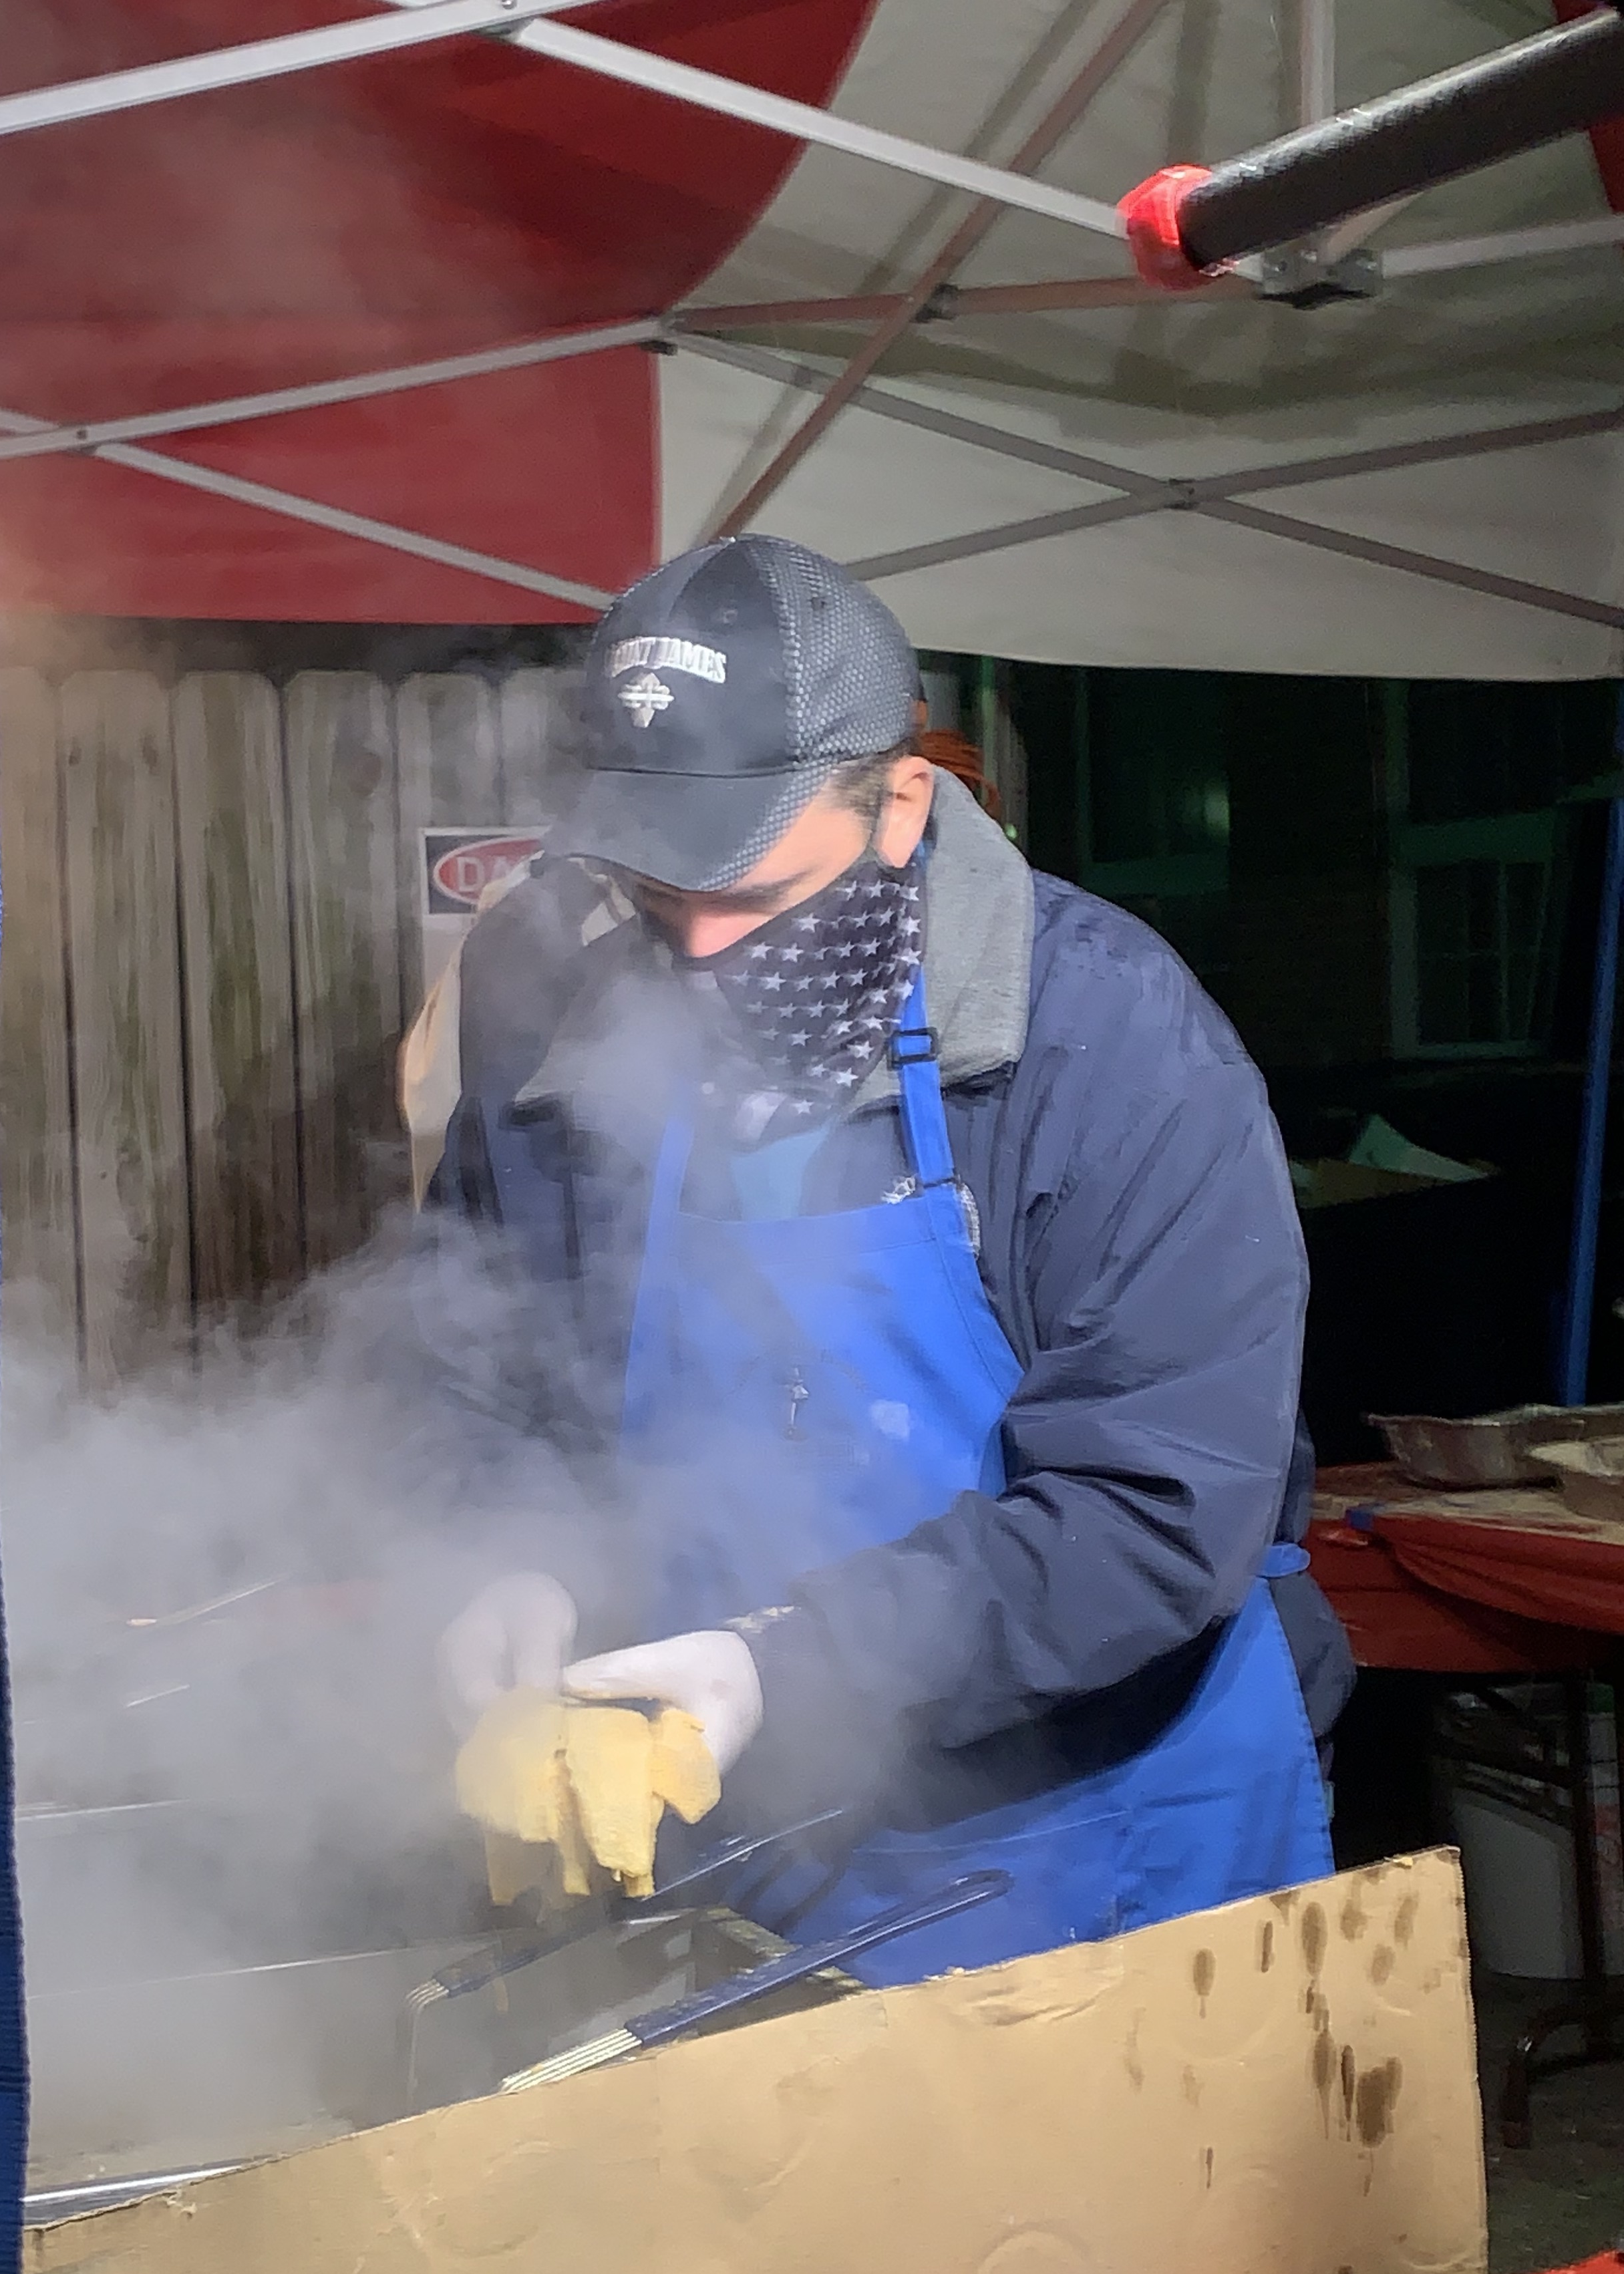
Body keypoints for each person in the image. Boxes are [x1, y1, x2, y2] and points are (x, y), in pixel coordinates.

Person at [423, 534, 1350, 1983]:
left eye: (753, 892)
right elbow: (479, 1353)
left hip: (1098, 1819)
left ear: (900, 806)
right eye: (658, 893)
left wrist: (785, 1662)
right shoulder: (563, 1019)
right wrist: (512, 1554)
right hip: (744, 1809)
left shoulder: (1106, 1039)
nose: (700, 951)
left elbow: (1156, 1508)